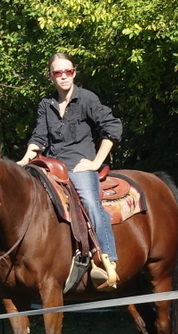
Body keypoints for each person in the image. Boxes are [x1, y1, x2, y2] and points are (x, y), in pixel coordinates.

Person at [16, 52, 123, 290]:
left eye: (68, 71)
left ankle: (108, 260)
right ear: (51, 76)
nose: (64, 76)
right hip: (51, 165)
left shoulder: (87, 99)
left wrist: (95, 162)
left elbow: (112, 127)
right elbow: (39, 138)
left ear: (74, 73)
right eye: (58, 72)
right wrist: (24, 160)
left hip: (79, 165)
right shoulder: (46, 104)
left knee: (90, 202)